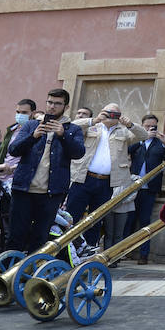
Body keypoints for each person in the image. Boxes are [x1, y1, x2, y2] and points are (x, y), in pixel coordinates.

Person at [6, 89, 85, 254]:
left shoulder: (73, 129)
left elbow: (78, 153)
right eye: (50, 102)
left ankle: (32, 274)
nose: (52, 107)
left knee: (40, 237)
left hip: (52, 192)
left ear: (66, 106)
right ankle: (9, 275)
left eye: (57, 103)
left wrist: (63, 135)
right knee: (16, 235)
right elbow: (13, 150)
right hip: (24, 189)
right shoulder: (32, 125)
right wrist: (33, 136)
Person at [67, 103, 149, 250]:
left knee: (96, 220)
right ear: (101, 112)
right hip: (83, 179)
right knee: (71, 216)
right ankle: (64, 249)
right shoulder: (92, 126)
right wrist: (95, 120)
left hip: (106, 183)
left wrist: (130, 124)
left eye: (115, 114)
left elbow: (144, 135)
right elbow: (71, 126)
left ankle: (90, 251)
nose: (110, 116)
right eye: (107, 113)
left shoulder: (123, 132)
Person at [124, 114, 165, 264]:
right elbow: (125, 151)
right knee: (128, 220)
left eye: (154, 126)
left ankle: (143, 255)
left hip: (149, 189)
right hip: (132, 187)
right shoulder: (136, 140)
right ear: (142, 125)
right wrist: (143, 137)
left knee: (145, 222)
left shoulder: (159, 143)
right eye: (147, 126)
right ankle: (122, 252)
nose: (151, 129)